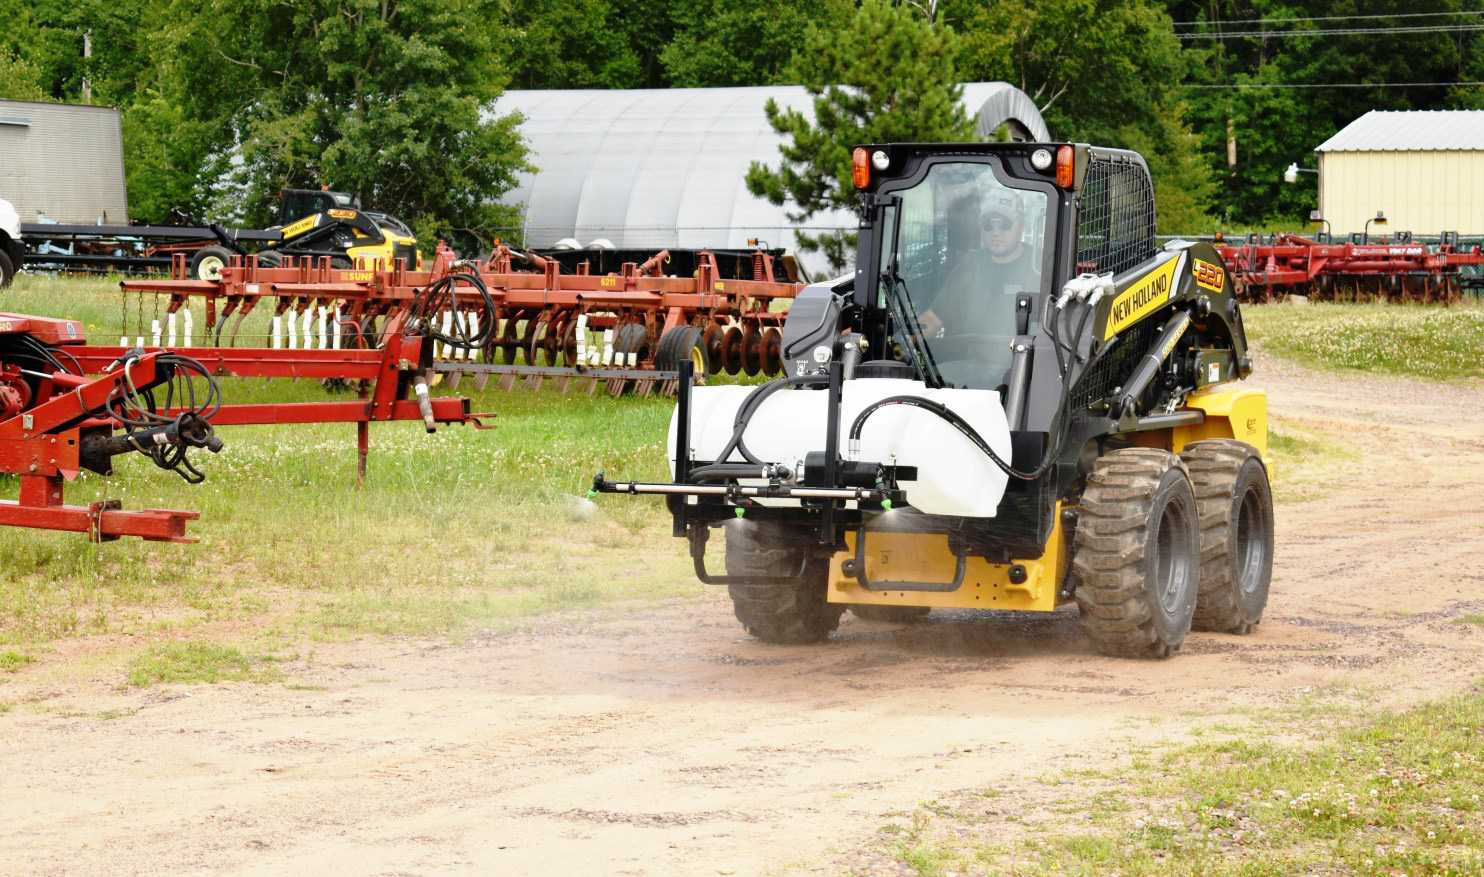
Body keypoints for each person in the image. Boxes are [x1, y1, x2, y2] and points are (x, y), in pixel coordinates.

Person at [918, 189, 1041, 337]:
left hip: (1028, 358)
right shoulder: (969, 265)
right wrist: (902, 346)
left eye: (1005, 224)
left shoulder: (1041, 264)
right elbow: (933, 318)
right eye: (988, 224)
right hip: (970, 359)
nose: (995, 232)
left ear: (1021, 226)